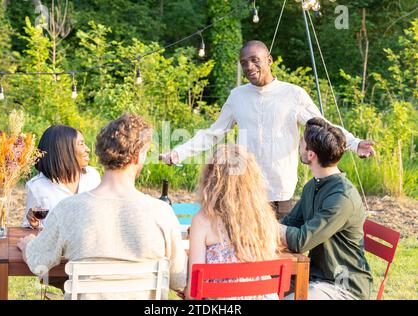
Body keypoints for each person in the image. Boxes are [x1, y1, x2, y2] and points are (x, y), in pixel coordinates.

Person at [160, 40, 375, 218]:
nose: (249, 67)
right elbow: (213, 133)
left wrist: (355, 144)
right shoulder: (237, 96)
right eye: (244, 63)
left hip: (280, 188)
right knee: (246, 246)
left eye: (255, 60)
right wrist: (178, 153)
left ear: (269, 60)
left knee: (279, 247)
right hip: (246, 186)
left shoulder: (293, 94)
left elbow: (323, 125)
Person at [17, 114, 187, 300]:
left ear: (102, 154)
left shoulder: (67, 210)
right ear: (138, 156)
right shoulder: (162, 212)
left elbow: (37, 261)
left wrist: (27, 245)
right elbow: (179, 279)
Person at [279, 117, 373, 300]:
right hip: (315, 276)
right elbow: (290, 223)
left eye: (302, 141)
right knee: (259, 286)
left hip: (344, 286)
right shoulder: (313, 185)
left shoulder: (341, 198)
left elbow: (300, 240)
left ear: (311, 154)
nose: (299, 143)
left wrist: (263, 224)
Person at [186, 144, 281, 300]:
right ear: (251, 181)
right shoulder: (263, 218)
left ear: (210, 180)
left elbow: (193, 291)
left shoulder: (202, 221)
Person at [22, 125, 101, 229]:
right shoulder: (37, 187)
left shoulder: (92, 177)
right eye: (81, 144)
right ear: (64, 150)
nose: (87, 149)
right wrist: (34, 224)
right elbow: (30, 226)